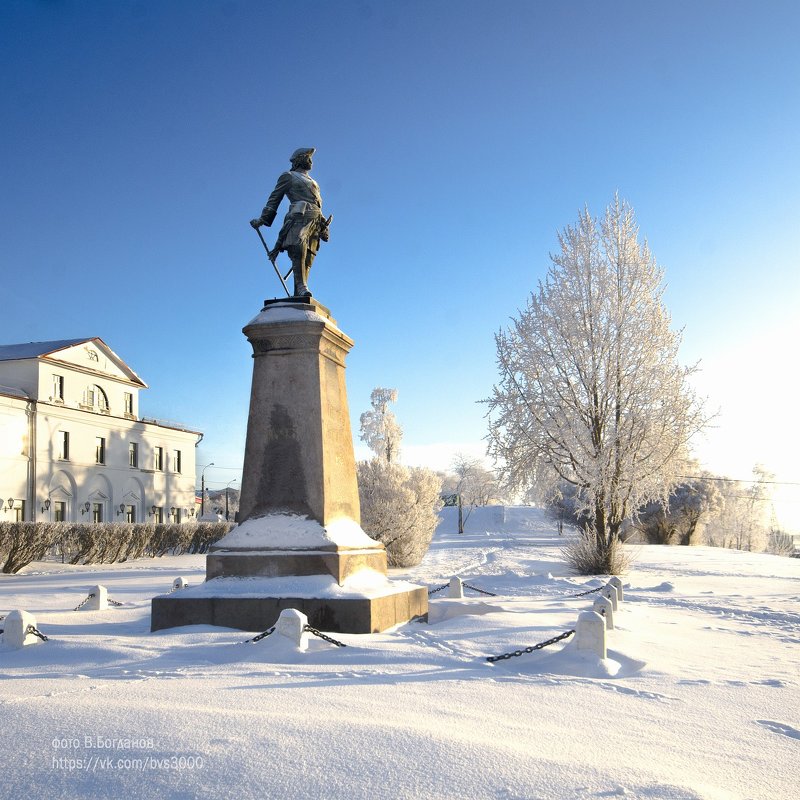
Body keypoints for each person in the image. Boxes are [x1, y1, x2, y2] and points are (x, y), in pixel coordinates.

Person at [250, 147, 329, 297]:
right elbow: (274, 198)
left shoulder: (314, 182)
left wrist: (323, 226)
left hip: (315, 219)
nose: (310, 160)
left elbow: (318, 204)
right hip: (298, 217)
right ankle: (301, 286)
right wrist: (262, 219)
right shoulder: (288, 176)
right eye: (307, 157)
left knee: (308, 257)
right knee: (297, 247)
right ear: (299, 159)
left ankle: (300, 290)